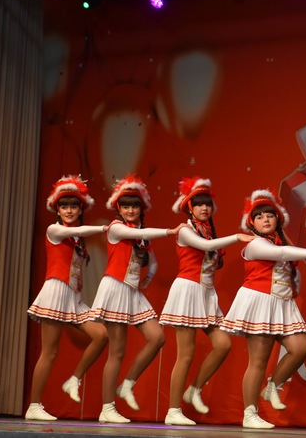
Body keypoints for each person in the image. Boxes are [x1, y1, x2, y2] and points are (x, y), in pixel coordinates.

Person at [220, 188, 306, 429]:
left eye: (270, 215)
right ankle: (249, 413)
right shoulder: (256, 244)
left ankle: (273, 385)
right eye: (259, 217)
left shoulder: (279, 240)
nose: (265, 219)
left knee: (300, 347)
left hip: (282, 303)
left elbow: (288, 260)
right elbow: (280, 253)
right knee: (258, 361)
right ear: (252, 223)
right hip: (260, 301)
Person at [159, 177, 256, 426]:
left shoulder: (207, 230)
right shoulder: (185, 230)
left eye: (207, 204)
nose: (204, 208)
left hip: (205, 293)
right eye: (199, 204)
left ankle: (194, 389)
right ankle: (173, 410)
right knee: (186, 354)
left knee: (223, 344)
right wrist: (237, 237)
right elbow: (205, 245)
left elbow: (209, 246)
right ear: (189, 207)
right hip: (188, 291)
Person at [91, 174, 182, 424]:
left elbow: (153, 262)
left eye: (135, 206)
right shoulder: (116, 228)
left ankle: (127, 383)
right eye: (125, 206)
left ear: (141, 209)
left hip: (132, 291)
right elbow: (144, 234)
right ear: (118, 208)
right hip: (115, 288)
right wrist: (170, 231)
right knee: (117, 351)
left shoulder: (141, 236)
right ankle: (107, 407)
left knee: (157, 337)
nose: (130, 210)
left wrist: (147, 279)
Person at [25, 175, 109, 421]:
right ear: (57, 210)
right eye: (64, 206)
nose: (69, 210)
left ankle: (74, 379)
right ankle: (34, 405)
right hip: (55, 292)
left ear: (81, 209)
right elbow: (80, 229)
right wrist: (103, 228)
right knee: (49, 352)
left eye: (74, 206)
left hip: (73, 297)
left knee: (101, 335)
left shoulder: (77, 239)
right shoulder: (55, 230)